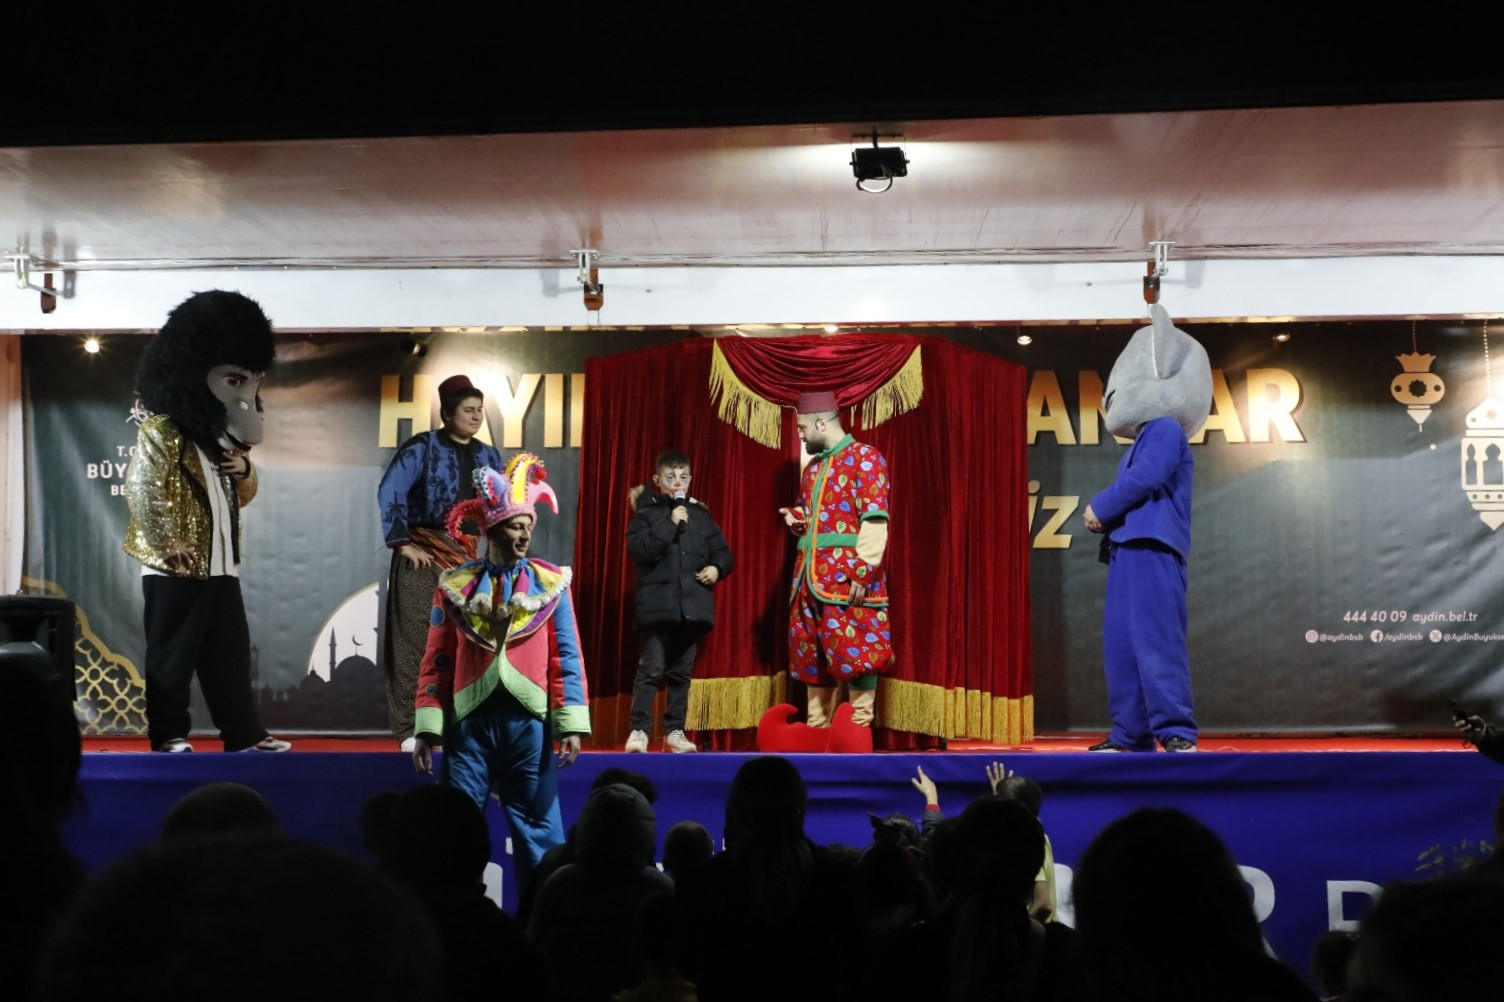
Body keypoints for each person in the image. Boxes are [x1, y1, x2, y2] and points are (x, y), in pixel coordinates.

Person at [122, 290, 291, 753]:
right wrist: (167, 542)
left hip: (221, 568)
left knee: (229, 657)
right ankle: (169, 735)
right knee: (172, 657)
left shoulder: (220, 441)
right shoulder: (162, 431)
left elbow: (243, 496)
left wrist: (246, 471)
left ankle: (244, 735)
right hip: (174, 568)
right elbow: (142, 487)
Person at [410, 454, 589, 889]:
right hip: (469, 727)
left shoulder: (552, 585)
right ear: (491, 531)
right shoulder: (456, 586)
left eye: (528, 525)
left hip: (528, 726)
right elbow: (437, 659)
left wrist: (570, 723)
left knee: (540, 833)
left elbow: (566, 657)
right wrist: (428, 729)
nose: (525, 534)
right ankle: (453, 914)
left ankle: (541, 917)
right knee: (455, 831)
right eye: (515, 526)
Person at [1082, 304, 1212, 753]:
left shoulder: (1165, 429)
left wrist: (1101, 506)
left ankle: (1176, 729)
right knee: (1121, 647)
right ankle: (1130, 732)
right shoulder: (1147, 436)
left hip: (1153, 547)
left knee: (1157, 641)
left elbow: (1148, 476)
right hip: (1129, 550)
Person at [378, 374, 503, 751]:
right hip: (424, 552)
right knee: (417, 640)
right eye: (468, 410)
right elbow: (391, 489)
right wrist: (402, 543)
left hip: (468, 559)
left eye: (480, 410)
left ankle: (456, 727)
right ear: (447, 414)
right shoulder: (421, 447)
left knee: (465, 642)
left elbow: (498, 504)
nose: (476, 416)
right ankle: (412, 729)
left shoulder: (489, 455)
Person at [780, 390, 892, 728]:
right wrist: (798, 519)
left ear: (820, 423)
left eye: (802, 428)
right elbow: (816, 515)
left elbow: (875, 519)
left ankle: (858, 733)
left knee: (859, 652)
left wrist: (863, 570)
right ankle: (817, 736)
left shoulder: (866, 458)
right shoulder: (813, 469)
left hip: (846, 580)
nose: (800, 435)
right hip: (807, 583)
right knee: (811, 659)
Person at [625, 448, 734, 753]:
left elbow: (723, 552)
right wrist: (670, 522)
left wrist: (716, 568)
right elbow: (641, 551)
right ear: (657, 479)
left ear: (690, 480)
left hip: (691, 608)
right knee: (651, 669)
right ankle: (639, 730)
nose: (677, 482)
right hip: (657, 608)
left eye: (683, 477)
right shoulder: (646, 514)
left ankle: (674, 730)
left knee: (681, 673)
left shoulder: (700, 515)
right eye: (670, 476)